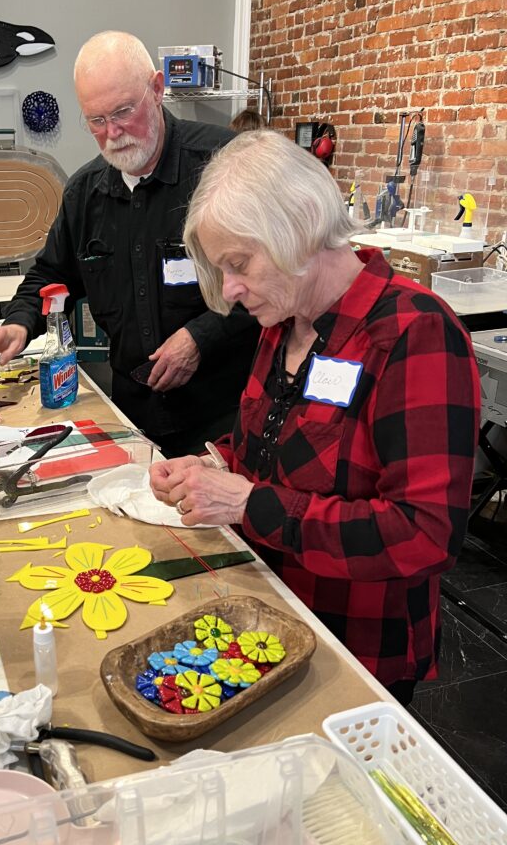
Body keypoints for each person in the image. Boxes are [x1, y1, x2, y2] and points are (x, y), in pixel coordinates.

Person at [149, 129, 480, 704]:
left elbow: (425, 534)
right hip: (268, 617)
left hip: (354, 649)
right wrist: (213, 464)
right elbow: (280, 440)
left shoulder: (413, 332)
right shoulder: (284, 320)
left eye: (239, 263)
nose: (230, 290)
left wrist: (249, 505)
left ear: (300, 228)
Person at [0, 31, 259, 456]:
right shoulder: (84, 194)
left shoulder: (225, 164)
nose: (113, 132)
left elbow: (274, 275)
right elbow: (51, 274)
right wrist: (18, 323)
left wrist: (201, 337)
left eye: (124, 111)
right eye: (96, 120)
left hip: (225, 415)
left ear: (157, 89)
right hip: (134, 413)